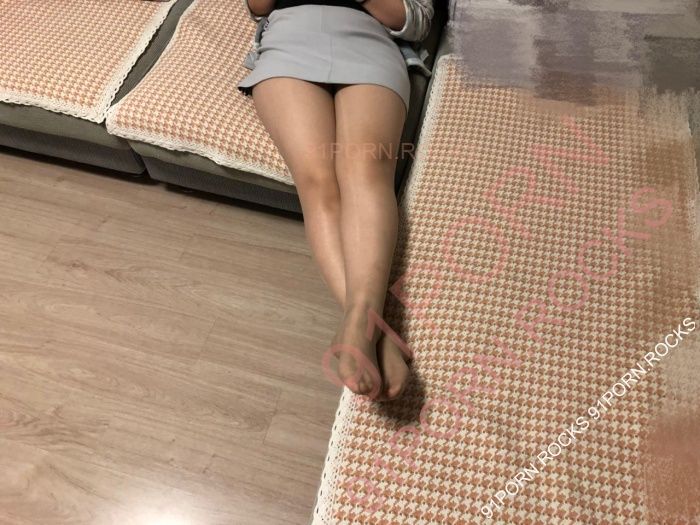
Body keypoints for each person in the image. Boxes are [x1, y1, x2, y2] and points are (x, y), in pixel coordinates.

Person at [237, 0, 434, 401]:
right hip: (290, 38)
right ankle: (376, 332)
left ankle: (361, 318)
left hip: (370, 41)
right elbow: (257, 7)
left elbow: (416, 21)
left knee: (365, 170)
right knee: (317, 181)